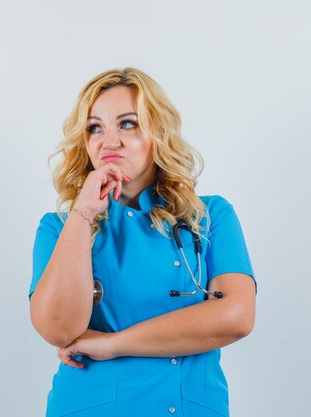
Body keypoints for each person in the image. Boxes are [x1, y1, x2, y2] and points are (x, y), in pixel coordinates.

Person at [28, 67, 256, 417]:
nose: (109, 141)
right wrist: (83, 214)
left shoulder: (210, 216)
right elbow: (58, 328)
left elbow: (236, 317)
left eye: (127, 124)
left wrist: (112, 344)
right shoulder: (60, 229)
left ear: (158, 132)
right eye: (95, 128)